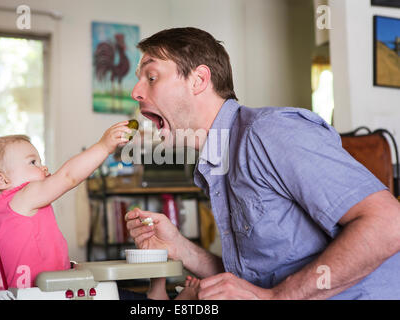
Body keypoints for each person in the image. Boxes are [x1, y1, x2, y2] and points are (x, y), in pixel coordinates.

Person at [125, 27, 400, 300]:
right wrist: (180, 248)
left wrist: (277, 297)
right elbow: (254, 285)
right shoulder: (218, 164)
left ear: (198, 80)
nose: (136, 92)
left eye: (151, 77)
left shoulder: (269, 132)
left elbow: (389, 223)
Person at [0, 121, 131, 288]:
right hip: (44, 293)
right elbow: (68, 177)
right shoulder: (22, 197)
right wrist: (103, 147)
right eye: (33, 162)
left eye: (40, 161)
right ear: (1, 180)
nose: (44, 167)